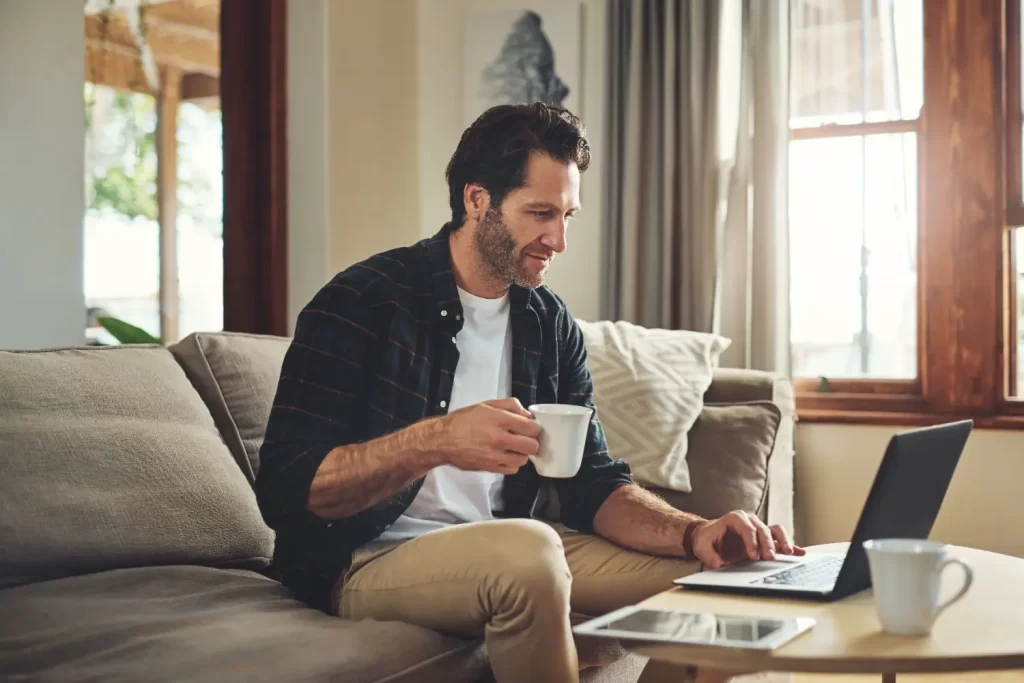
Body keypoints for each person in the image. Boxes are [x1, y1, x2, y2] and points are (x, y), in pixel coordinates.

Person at [256, 103, 804, 683]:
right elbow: (287, 489)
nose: (559, 240)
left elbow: (595, 483)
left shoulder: (547, 322)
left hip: (515, 548)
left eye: (567, 214)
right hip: (365, 558)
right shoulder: (362, 301)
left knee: (720, 586)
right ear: (476, 200)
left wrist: (696, 532)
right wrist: (438, 440)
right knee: (529, 551)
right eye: (541, 213)